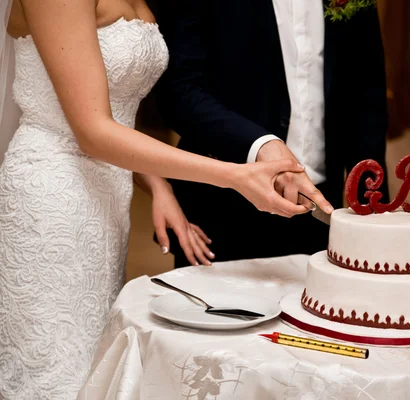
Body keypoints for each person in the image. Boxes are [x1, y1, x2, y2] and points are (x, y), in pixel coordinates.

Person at [0, 0, 316, 398]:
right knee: (57, 372)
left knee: (93, 363)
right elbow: (92, 131)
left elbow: (112, 113)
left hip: (106, 199)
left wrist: (160, 187)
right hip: (52, 202)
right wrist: (234, 176)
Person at [155, 0, 389, 267]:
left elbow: (367, 98)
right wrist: (260, 145)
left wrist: (374, 211)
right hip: (222, 214)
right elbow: (178, 91)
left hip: (322, 214)